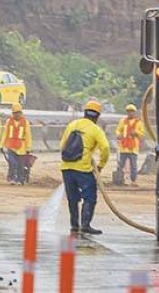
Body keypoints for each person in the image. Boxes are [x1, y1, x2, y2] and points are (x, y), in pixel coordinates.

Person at [59, 100, 110, 234]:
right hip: (83, 169)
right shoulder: (95, 130)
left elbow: (62, 145)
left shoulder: (72, 125)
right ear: (97, 116)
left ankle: (75, 225)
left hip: (66, 167)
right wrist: (100, 165)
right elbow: (105, 148)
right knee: (90, 197)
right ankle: (85, 225)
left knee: (72, 197)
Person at [2, 103, 32, 185]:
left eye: (18, 113)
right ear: (13, 113)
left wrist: (28, 148)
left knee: (20, 165)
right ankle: (12, 178)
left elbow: (28, 135)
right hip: (11, 146)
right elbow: (5, 133)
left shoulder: (25, 122)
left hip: (21, 147)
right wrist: (2, 144)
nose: (17, 115)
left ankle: (20, 179)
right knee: (12, 163)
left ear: (21, 113)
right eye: (15, 113)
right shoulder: (9, 121)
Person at [116, 104, 145, 186]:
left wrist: (136, 132)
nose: (130, 113)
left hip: (133, 148)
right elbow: (118, 130)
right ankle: (119, 180)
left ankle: (133, 180)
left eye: (131, 111)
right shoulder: (123, 121)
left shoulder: (139, 123)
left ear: (134, 112)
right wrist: (119, 135)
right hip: (124, 147)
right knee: (120, 164)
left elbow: (142, 134)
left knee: (134, 165)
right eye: (128, 111)